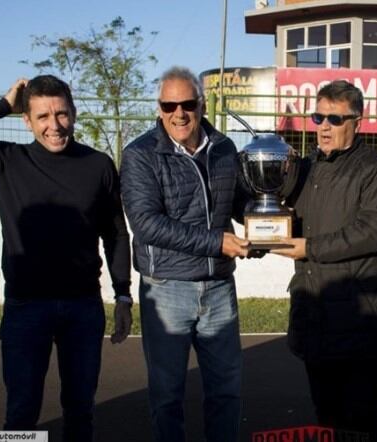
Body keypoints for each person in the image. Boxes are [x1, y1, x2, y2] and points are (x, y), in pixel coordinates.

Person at [0, 75, 132, 441]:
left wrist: (123, 294)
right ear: (26, 120)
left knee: (80, 412)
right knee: (21, 413)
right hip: (25, 309)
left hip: (83, 309)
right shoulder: (6, 160)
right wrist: (1, 105)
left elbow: (116, 233)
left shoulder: (99, 165)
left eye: (61, 114)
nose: (53, 125)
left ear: (73, 114)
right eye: (42, 116)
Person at [120, 67, 250, 442]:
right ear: (159, 109)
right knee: (167, 397)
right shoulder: (140, 154)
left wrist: (264, 222)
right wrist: (218, 243)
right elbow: (147, 224)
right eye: (169, 105)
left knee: (226, 392)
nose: (179, 112)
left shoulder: (225, 147)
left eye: (188, 103)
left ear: (202, 104)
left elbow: (238, 204)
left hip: (219, 287)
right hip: (166, 290)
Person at [272, 80, 377, 441]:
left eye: (334, 118)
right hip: (314, 314)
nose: (324, 127)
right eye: (318, 117)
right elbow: (285, 216)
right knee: (325, 418)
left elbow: (371, 232)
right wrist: (265, 221)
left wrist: (308, 247)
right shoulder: (307, 167)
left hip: (358, 320)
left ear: (357, 121)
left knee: (359, 422)